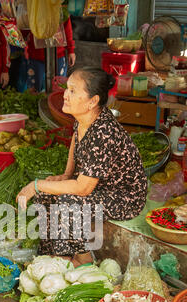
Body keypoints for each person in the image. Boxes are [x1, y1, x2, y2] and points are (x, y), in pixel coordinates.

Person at [16, 67, 148, 267]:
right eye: (67, 89)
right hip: (99, 185)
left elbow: (83, 189)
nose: (65, 95)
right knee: (47, 194)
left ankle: (82, 258)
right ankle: (53, 252)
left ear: (92, 101)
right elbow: (75, 143)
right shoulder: (84, 119)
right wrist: (66, 174)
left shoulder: (103, 133)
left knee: (68, 201)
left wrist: (35, 185)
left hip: (123, 196)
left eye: (72, 91)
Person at [23, 15, 76, 93]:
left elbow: (67, 29)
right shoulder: (32, 6)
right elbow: (24, 29)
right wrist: (25, 47)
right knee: (33, 89)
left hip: (58, 55)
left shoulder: (60, 7)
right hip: (35, 55)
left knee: (59, 88)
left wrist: (71, 50)